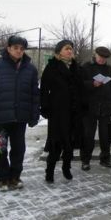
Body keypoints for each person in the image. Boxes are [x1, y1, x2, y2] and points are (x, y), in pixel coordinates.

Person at [0, 35, 39, 191]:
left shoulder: (30, 69)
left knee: (19, 150)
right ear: (8, 48)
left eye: (22, 49)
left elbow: (35, 95)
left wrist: (34, 115)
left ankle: (15, 177)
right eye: (15, 48)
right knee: (0, 150)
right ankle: (3, 179)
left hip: (20, 117)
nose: (18, 51)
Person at [40, 40, 82, 183]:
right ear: (59, 52)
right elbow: (44, 89)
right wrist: (45, 107)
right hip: (58, 112)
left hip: (73, 112)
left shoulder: (76, 67)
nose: (70, 51)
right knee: (56, 144)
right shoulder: (52, 67)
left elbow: (81, 87)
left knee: (70, 144)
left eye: (71, 49)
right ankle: (49, 171)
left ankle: (66, 167)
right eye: (66, 49)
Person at [79, 46, 111, 170]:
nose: (102, 59)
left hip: (106, 109)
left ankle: (105, 159)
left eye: (105, 58)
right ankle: (85, 160)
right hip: (89, 109)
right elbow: (78, 85)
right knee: (88, 136)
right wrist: (92, 84)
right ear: (95, 55)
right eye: (100, 57)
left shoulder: (110, 70)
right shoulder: (85, 67)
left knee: (105, 136)